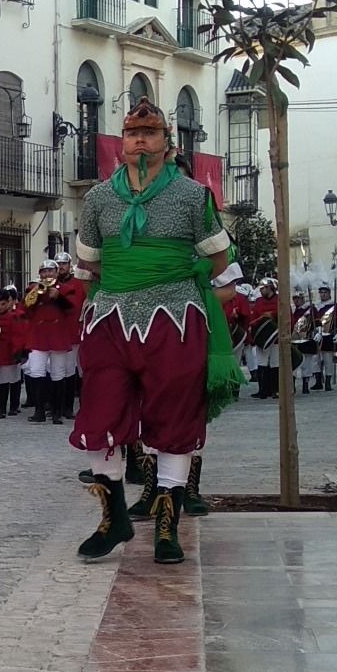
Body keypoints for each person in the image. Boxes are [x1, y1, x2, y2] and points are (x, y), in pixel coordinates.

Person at [68, 96, 241, 565]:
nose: (139, 139)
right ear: (121, 144)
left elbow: (220, 261)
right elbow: (87, 265)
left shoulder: (191, 195)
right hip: (109, 320)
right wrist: (111, 295)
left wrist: (178, 274)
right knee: (98, 416)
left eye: (149, 133)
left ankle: (168, 530)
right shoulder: (98, 199)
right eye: (130, 133)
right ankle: (114, 518)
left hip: (176, 316)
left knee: (174, 417)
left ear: (167, 143)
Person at [23, 259, 76, 425]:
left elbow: (71, 308)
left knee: (58, 373)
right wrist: (37, 295)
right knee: (36, 371)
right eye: (44, 271)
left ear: (56, 273)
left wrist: (58, 297)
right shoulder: (33, 289)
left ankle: (57, 412)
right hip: (38, 335)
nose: (47, 274)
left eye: (50, 271)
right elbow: (26, 309)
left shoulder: (67, 289)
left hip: (57, 334)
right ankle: (39, 410)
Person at [0, 285, 28, 418]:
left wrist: (19, 352)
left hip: (8, 353)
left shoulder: (14, 317)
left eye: (3, 304)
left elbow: (19, 336)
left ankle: (4, 407)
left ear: (9, 303)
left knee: (6, 380)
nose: (0, 307)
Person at [53, 251, 87, 418]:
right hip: (55, 333)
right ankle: (54, 407)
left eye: (64, 264)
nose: (61, 267)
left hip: (73, 331)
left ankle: (69, 407)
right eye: (58, 264)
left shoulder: (79, 283)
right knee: (54, 371)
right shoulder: (49, 283)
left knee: (72, 369)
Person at [248, 277, 281, 398]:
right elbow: (254, 319)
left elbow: (285, 315)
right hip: (262, 337)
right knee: (261, 363)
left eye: (263, 288)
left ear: (269, 287)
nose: (261, 291)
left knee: (275, 363)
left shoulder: (279, 300)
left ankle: (275, 390)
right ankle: (263, 390)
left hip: (276, 336)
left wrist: (273, 314)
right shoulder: (259, 301)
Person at [318, 285, 337, 392]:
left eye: (325, 292)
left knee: (328, 360)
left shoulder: (335, 306)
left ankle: (327, 382)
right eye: (321, 292)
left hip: (329, 335)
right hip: (317, 336)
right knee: (315, 360)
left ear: (329, 293)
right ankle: (318, 381)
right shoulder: (316, 306)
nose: (323, 294)